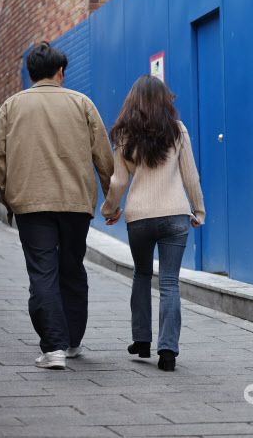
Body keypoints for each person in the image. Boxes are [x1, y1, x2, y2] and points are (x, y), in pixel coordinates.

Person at [0, 42, 114, 369]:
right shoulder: (82, 103)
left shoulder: (11, 106)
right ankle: (71, 342)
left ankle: (53, 348)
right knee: (72, 269)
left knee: (42, 272)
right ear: (61, 71)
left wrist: (6, 196)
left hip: (31, 204)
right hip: (76, 204)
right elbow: (103, 156)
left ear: (30, 73)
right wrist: (111, 200)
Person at [101, 75, 204, 372]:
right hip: (175, 216)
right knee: (170, 282)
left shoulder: (124, 134)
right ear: (164, 101)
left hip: (139, 217)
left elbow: (118, 181)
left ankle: (142, 340)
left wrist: (109, 209)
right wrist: (198, 210)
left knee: (142, 274)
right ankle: (168, 351)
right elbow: (191, 175)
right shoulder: (177, 130)